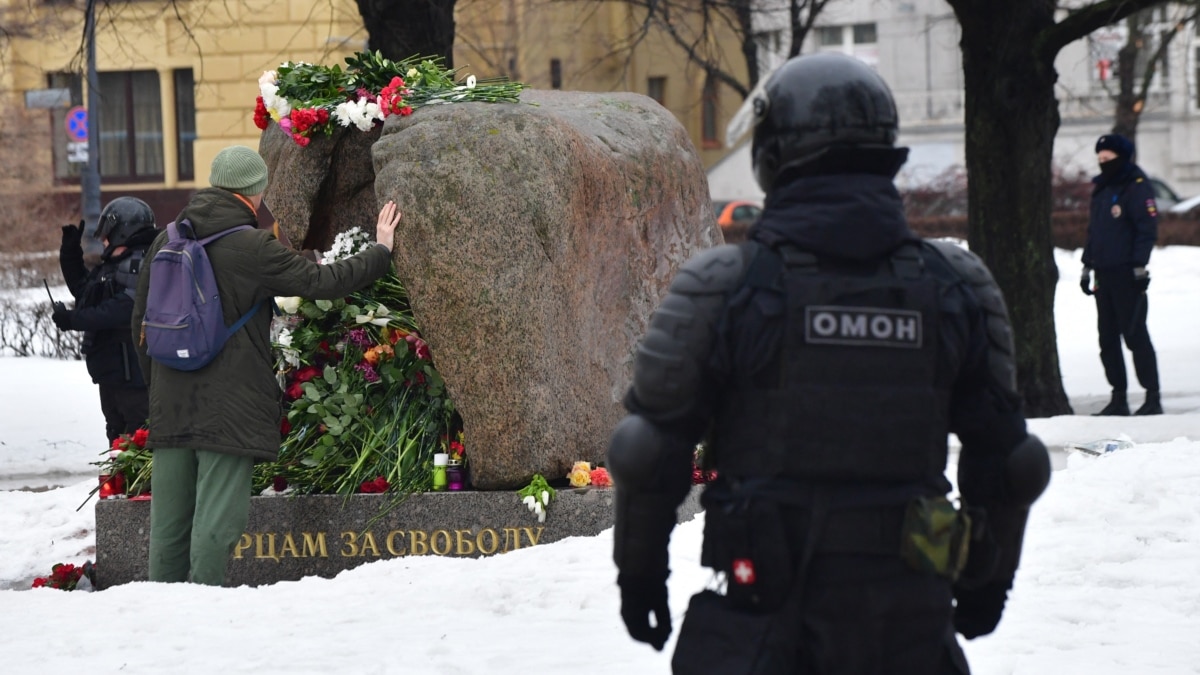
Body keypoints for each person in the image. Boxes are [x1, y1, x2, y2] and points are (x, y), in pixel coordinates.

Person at [607, 53, 1051, 674]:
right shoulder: (955, 284)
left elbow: (647, 451)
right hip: (910, 623)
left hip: (763, 620)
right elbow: (1010, 460)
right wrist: (988, 584)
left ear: (773, 152)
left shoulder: (725, 284)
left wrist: (640, 577)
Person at [131, 145, 402, 585]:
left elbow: (139, 324)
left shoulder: (167, 239)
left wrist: (158, 391)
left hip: (172, 405)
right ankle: (201, 612)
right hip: (229, 407)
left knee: (169, 527)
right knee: (217, 525)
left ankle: (164, 619)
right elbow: (323, 282)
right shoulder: (251, 246)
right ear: (254, 192)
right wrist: (381, 250)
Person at [54, 197, 158, 443]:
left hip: (133, 376)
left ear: (123, 231)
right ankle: (119, 481)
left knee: (138, 439)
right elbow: (86, 292)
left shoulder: (140, 264)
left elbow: (123, 309)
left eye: (107, 234)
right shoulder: (117, 264)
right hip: (114, 372)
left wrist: (73, 319)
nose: (103, 240)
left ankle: (141, 484)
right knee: (117, 435)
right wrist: (70, 252)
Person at [1081, 133, 1161, 416]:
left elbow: (1146, 229)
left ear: (1122, 158)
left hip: (1128, 273)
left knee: (1135, 335)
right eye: (1100, 159)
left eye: (1108, 159)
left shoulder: (1136, 187)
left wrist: (1139, 265)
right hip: (1103, 273)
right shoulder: (1102, 189)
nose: (1103, 164)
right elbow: (1095, 231)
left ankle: (1152, 396)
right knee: (1107, 339)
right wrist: (1087, 264)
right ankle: (1119, 397)